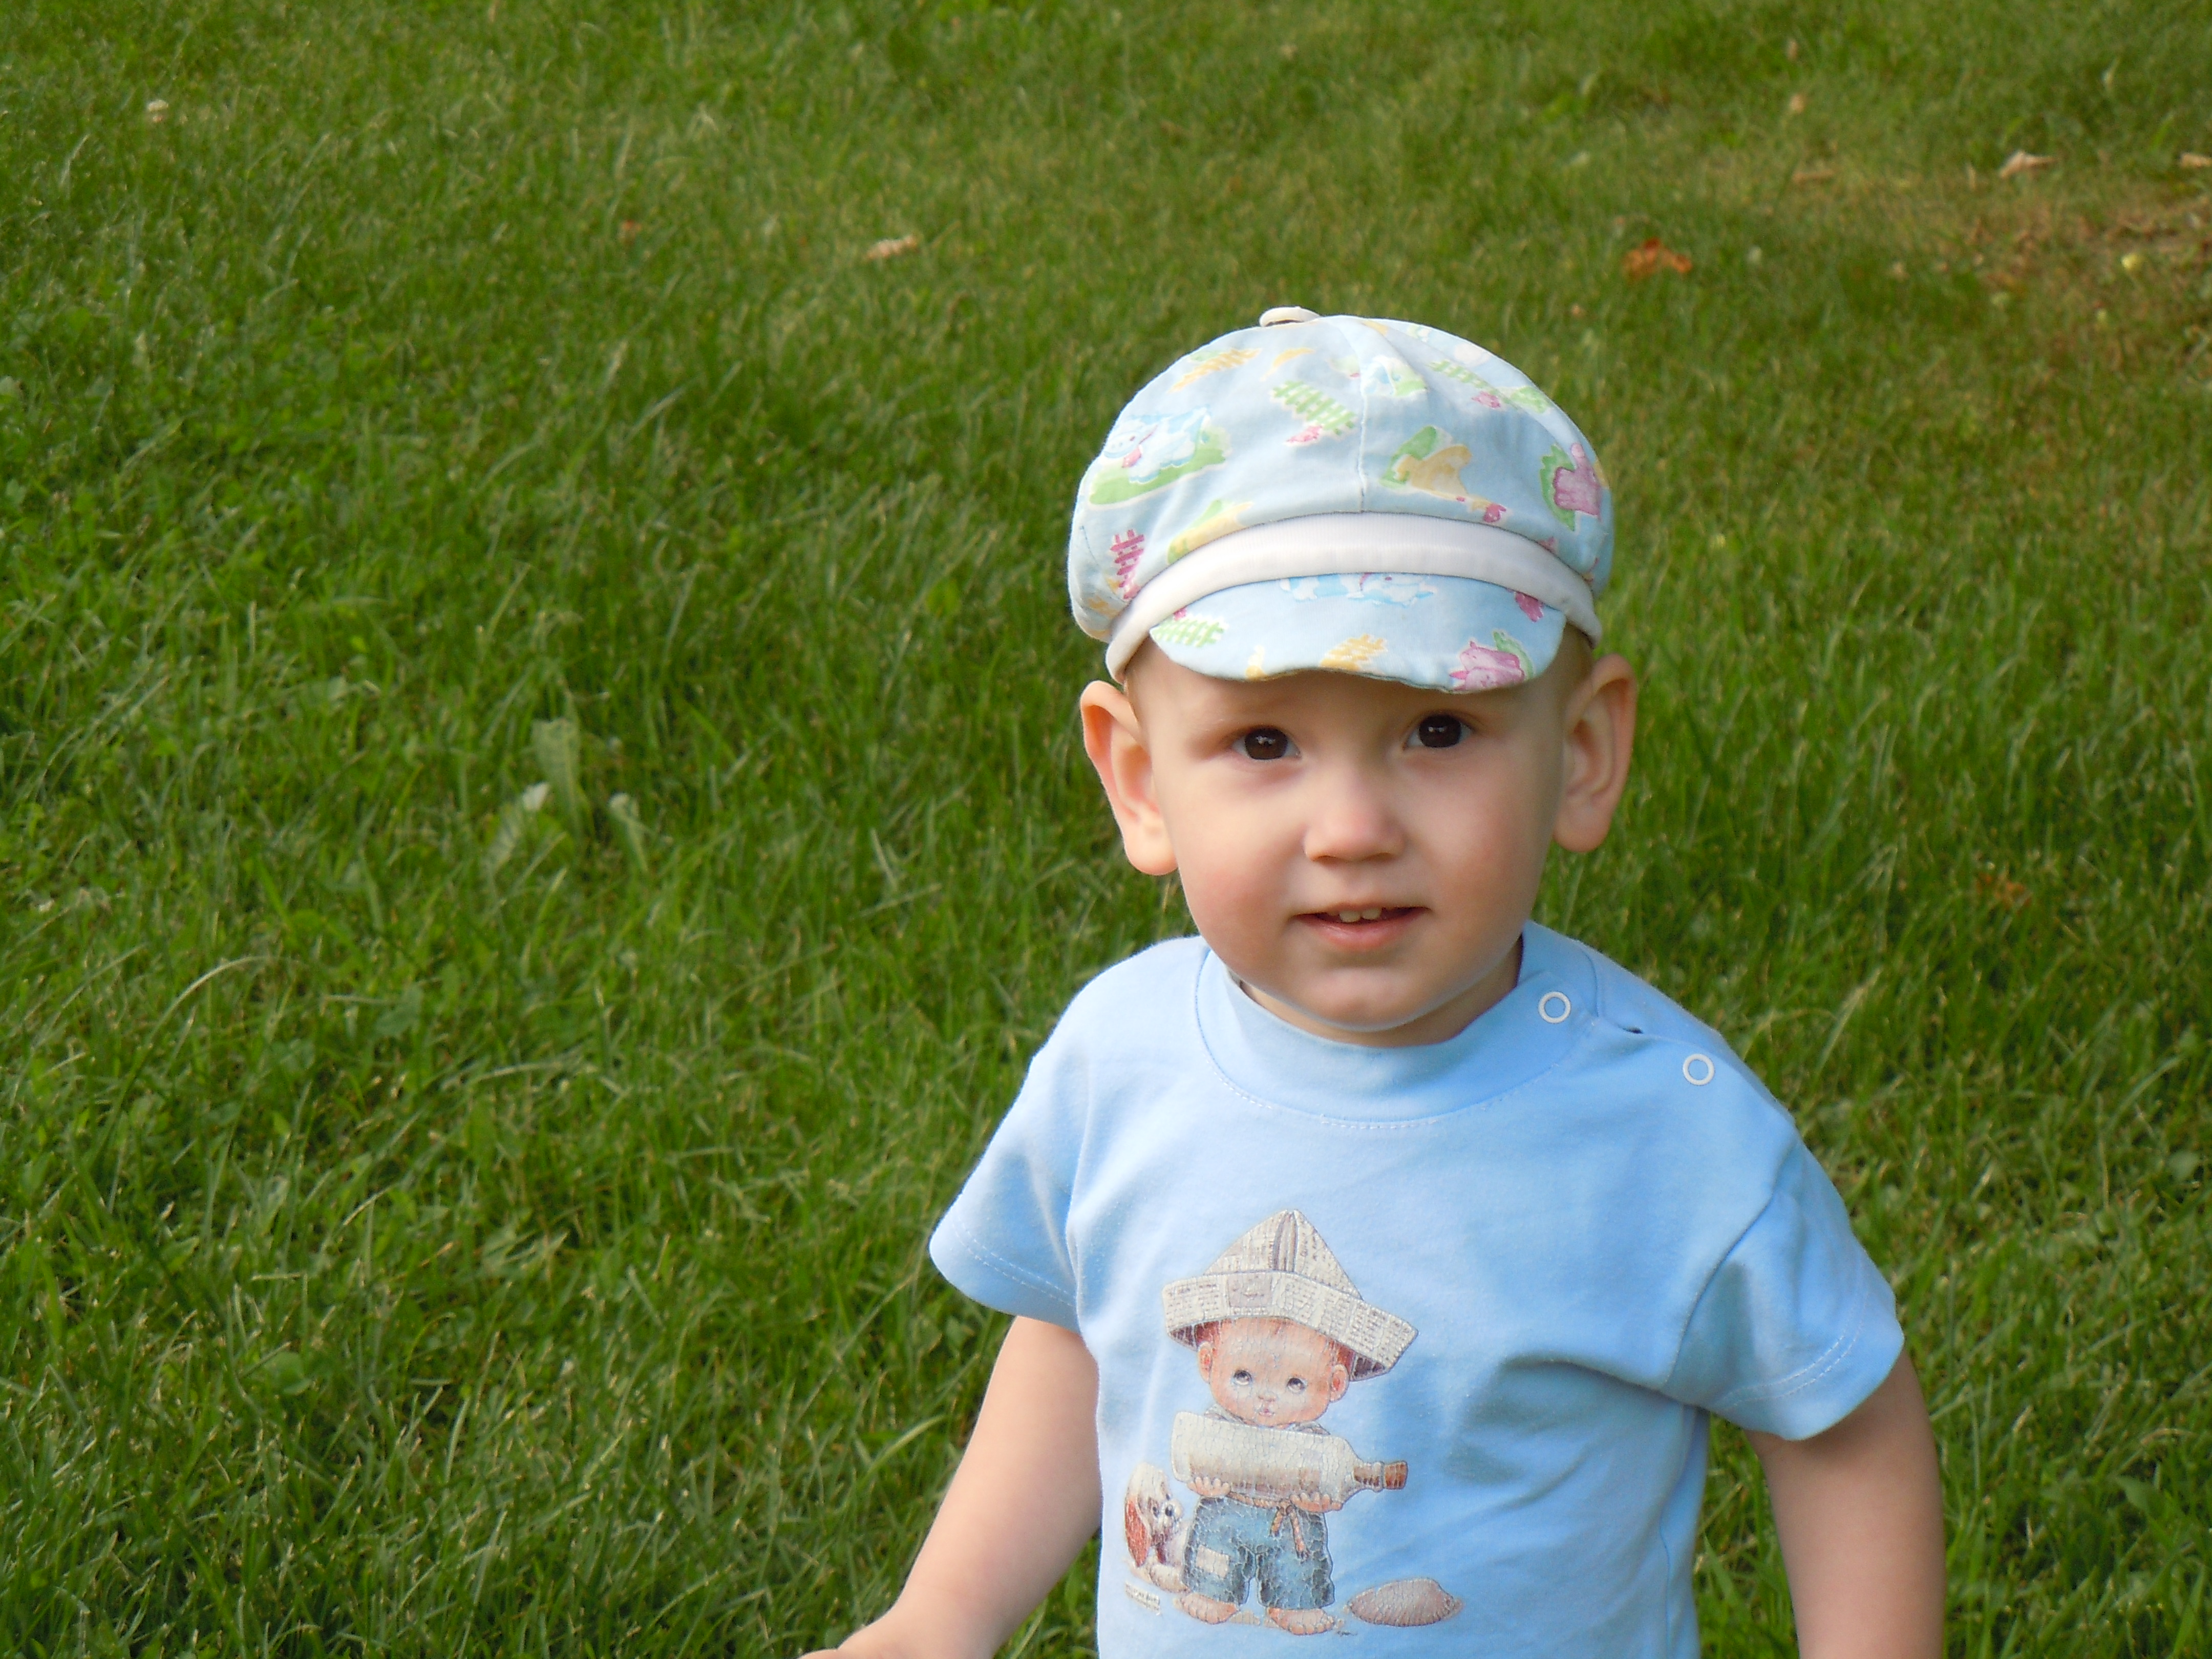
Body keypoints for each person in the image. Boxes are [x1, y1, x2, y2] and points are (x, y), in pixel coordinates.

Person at [815, 308, 1945, 1657]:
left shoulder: (1671, 1132)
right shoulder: (1119, 1059)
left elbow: (1843, 1425)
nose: (1352, 828)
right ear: (1138, 780)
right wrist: (942, 1617)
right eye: (1266, 742)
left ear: (1584, 753)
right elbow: (1083, 1335)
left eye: (1439, 729)